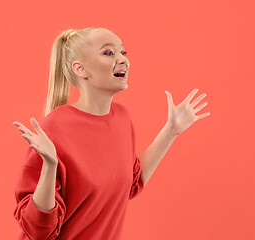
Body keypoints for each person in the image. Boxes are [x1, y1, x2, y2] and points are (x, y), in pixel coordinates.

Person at [12, 27, 210, 240]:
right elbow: (38, 231)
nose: (123, 59)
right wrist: (50, 167)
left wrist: (171, 130)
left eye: (123, 53)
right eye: (109, 53)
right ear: (80, 69)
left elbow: (130, 184)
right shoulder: (56, 126)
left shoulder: (122, 119)